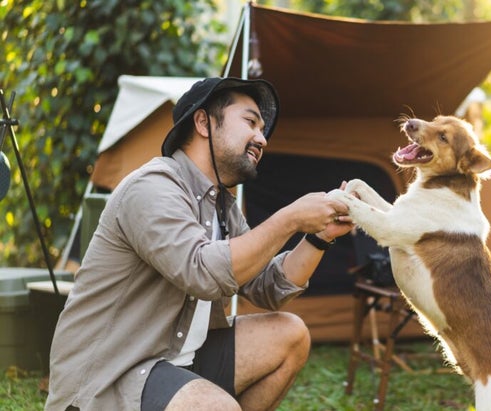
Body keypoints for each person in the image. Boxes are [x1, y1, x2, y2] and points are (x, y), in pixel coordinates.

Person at [45, 77, 354, 411]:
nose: (262, 138)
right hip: (114, 370)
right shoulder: (152, 187)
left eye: (263, 129)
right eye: (250, 121)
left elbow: (269, 288)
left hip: (177, 360)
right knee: (216, 407)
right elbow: (201, 272)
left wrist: (319, 238)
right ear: (204, 122)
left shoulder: (222, 206)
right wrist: (290, 218)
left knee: (290, 335)